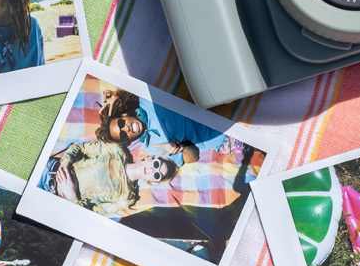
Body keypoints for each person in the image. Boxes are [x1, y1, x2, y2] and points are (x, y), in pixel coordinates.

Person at [96, 87, 229, 166]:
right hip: (220, 136)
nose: (127, 128)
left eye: (121, 123)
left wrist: (119, 93)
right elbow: (193, 158)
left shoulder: (142, 100)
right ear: (128, 139)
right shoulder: (152, 148)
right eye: (123, 134)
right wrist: (180, 148)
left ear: (123, 115)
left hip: (211, 100)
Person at [43, 140, 178, 217]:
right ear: (150, 158)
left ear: (152, 180)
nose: (152, 170)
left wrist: (73, 198)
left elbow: (91, 215)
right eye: (156, 164)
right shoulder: (117, 151)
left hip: (52, 198)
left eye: (157, 174)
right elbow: (78, 147)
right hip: (49, 168)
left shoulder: (125, 198)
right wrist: (65, 164)